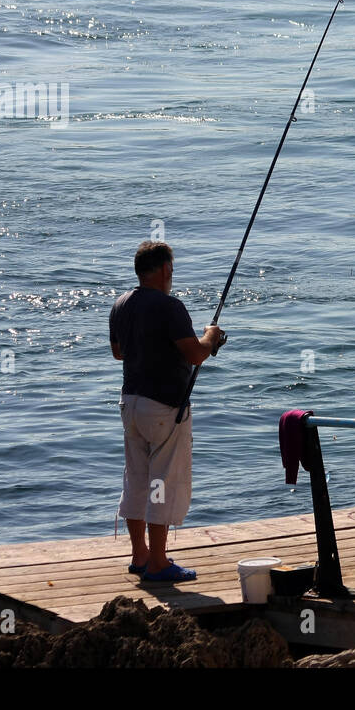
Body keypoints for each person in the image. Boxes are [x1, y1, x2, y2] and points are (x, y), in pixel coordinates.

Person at [109, 241, 225, 582]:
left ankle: (140, 555)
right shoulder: (169, 306)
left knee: (137, 480)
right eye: (171, 270)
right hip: (164, 408)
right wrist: (211, 336)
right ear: (165, 270)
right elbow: (194, 354)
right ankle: (158, 562)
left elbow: (119, 353)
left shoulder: (121, 304)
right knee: (161, 481)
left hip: (130, 403)